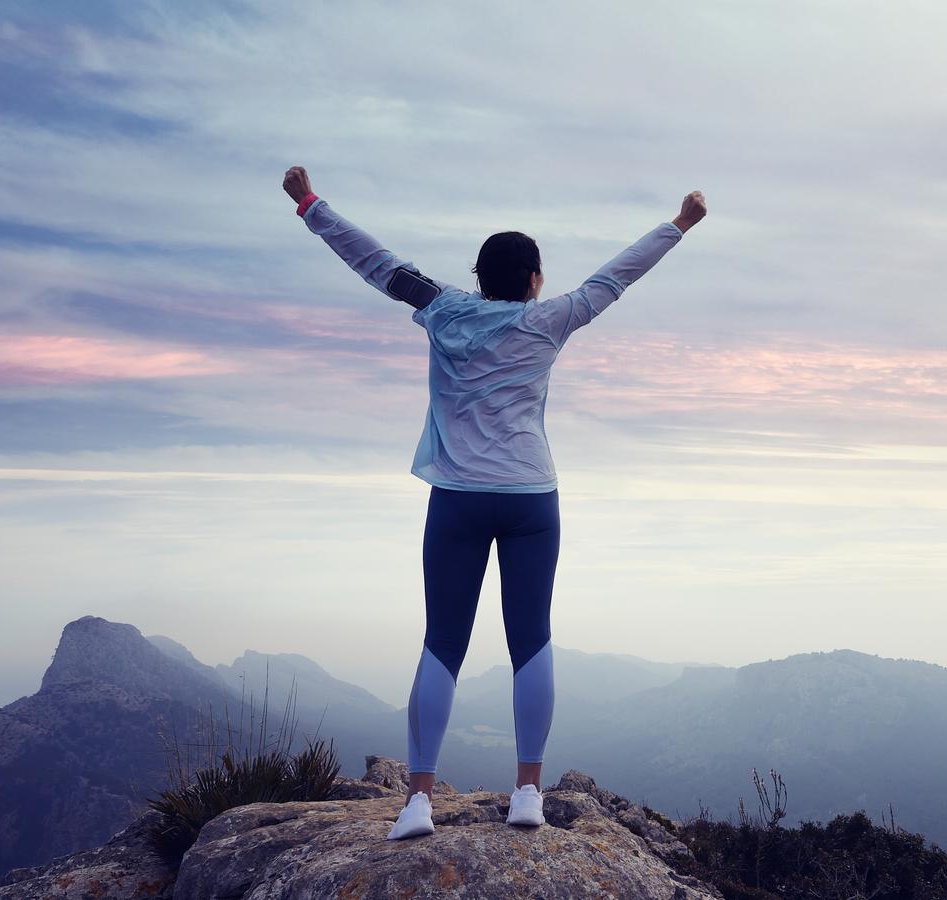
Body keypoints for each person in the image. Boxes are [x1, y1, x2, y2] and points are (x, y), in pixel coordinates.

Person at [282, 166, 706, 839]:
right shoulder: (550, 320)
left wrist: (309, 204)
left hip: (456, 499)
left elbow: (372, 259)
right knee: (530, 641)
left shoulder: (443, 310)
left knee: (443, 642)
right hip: (532, 499)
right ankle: (528, 792)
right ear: (533, 279)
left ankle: (417, 801)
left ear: (479, 277)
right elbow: (615, 277)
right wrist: (679, 224)